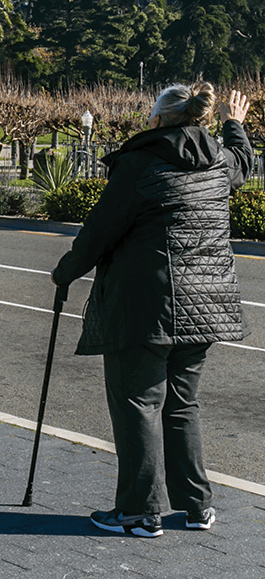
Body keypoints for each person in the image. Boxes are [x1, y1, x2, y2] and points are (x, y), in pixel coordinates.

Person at [51, 83, 253, 538]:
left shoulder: (138, 163)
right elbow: (244, 164)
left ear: (158, 119)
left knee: (138, 403)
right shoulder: (218, 159)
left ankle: (140, 513)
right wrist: (235, 123)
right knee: (182, 406)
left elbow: (100, 230)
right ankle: (197, 507)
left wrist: (65, 272)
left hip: (145, 307)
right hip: (206, 307)